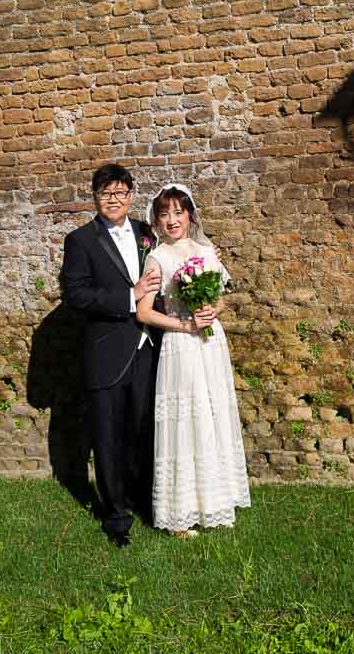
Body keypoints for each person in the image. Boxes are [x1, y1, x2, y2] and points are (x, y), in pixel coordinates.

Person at [135, 184, 251, 538]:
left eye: (178, 212)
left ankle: (215, 499)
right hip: (181, 347)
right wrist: (184, 324)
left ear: (189, 215)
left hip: (210, 344)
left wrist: (210, 309)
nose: (172, 220)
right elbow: (143, 312)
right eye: (164, 214)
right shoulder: (157, 259)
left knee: (212, 415)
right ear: (156, 220)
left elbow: (222, 299)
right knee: (186, 420)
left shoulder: (205, 251)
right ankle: (179, 515)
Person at [60, 163, 161, 547]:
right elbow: (77, 296)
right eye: (106, 194)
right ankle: (116, 517)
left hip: (148, 348)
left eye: (120, 192)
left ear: (131, 195)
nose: (114, 200)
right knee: (107, 437)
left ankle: (143, 501)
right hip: (105, 354)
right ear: (96, 198)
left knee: (144, 429)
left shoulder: (146, 233)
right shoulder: (80, 241)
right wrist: (127, 296)